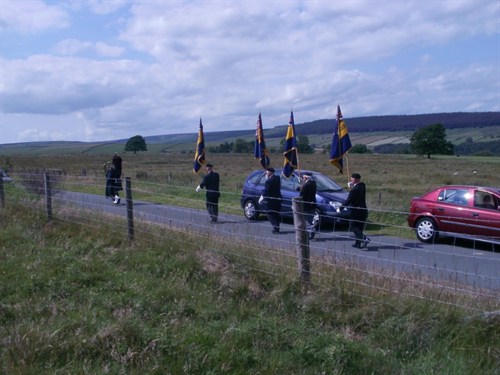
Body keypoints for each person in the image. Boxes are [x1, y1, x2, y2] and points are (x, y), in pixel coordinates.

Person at [341, 173, 370, 249]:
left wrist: (340, 208)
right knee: (359, 227)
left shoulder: (355, 189)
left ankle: (364, 239)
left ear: (355, 179)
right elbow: (359, 187)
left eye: (352, 179)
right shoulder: (362, 186)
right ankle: (358, 243)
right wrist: (352, 186)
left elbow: (349, 200)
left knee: (353, 226)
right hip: (363, 210)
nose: (351, 180)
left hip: (356, 211)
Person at [259, 167, 282, 233]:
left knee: (270, 213)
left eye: (266, 172)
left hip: (271, 200)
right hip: (278, 199)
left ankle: (275, 227)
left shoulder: (268, 181)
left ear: (269, 173)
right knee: (276, 214)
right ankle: (277, 227)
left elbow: (266, 190)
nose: (266, 174)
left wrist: (262, 196)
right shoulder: (277, 178)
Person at [299, 172, 317, 240]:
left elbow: (302, 195)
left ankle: (311, 231)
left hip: (306, 204)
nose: (302, 179)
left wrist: (302, 186)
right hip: (312, 204)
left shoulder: (306, 185)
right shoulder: (313, 183)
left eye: (303, 178)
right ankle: (311, 230)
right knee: (311, 219)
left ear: (305, 178)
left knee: (307, 220)